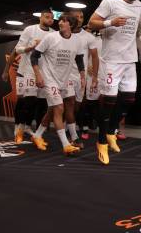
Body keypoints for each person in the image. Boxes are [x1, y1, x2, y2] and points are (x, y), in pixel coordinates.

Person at [88, 0, 141, 165]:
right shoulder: (110, 2)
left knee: (129, 99)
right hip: (111, 60)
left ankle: (111, 131)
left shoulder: (139, 5)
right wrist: (110, 22)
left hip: (129, 59)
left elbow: (134, 26)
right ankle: (101, 143)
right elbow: (91, 23)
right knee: (109, 101)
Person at [31, 15, 94, 155]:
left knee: (53, 109)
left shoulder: (76, 41)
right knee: (59, 107)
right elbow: (34, 55)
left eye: (64, 21)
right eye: (60, 20)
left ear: (70, 25)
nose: (60, 23)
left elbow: (79, 58)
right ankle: (66, 144)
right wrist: (38, 74)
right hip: (49, 79)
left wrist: (82, 75)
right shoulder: (51, 37)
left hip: (65, 79)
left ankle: (37, 135)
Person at [13, 9, 54, 149]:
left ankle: (35, 132)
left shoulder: (53, 34)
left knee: (42, 104)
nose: (50, 20)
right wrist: (31, 47)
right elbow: (18, 49)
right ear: (41, 17)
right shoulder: (30, 30)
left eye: (52, 18)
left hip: (45, 72)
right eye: (47, 17)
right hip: (29, 70)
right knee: (28, 101)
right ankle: (19, 128)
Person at [63, 9, 99, 149]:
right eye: (76, 16)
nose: (79, 18)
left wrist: (94, 76)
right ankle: (74, 137)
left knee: (77, 106)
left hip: (81, 76)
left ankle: (66, 125)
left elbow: (95, 57)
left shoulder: (89, 37)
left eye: (82, 16)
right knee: (70, 103)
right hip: (65, 76)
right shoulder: (63, 34)